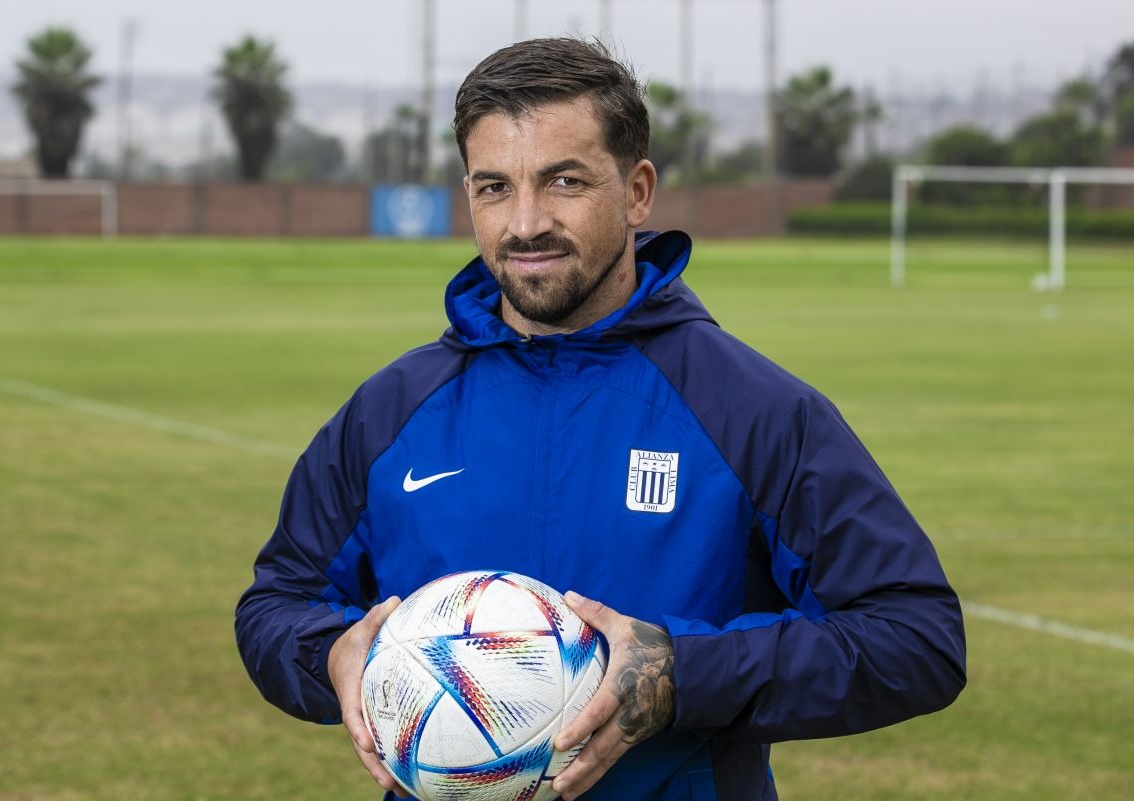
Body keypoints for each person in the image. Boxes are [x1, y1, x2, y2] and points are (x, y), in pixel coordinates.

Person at [235, 37, 966, 801]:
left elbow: (915, 637)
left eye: (565, 181)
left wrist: (682, 672)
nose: (526, 223)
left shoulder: (753, 409)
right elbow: (276, 603)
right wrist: (328, 654)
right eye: (495, 187)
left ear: (637, 190)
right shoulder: (390, 410)